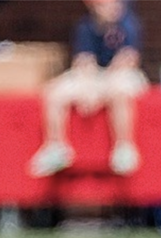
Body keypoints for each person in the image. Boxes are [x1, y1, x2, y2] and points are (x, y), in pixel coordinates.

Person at [28, 0, 147, 178]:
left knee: (119, 91)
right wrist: (89, 87)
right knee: (54, 92)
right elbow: (84, 61)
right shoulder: (85, 27)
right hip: (93, 77)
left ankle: (124, 147)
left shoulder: (129, 24)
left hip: (121, 75)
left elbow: (128, 60)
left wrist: (100, 92)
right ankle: (56, 146)